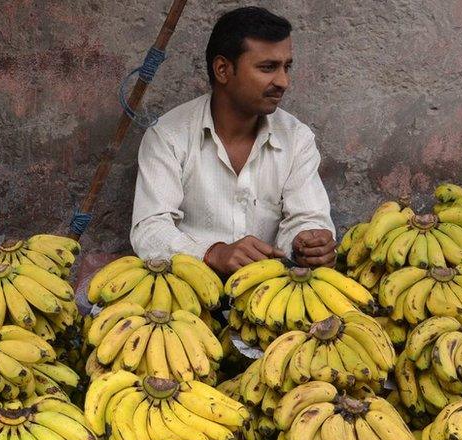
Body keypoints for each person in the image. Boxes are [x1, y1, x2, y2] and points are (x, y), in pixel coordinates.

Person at [130, 6, 335, 276]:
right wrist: (211, 252)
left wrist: (305, 243)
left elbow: (308, 217)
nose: (283, 81)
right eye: (268, 68)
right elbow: (149, 229)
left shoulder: (297, 138)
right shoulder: (168, 136)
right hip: (186, 290)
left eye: (287, 67)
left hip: (269, 294)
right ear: (223, 69)